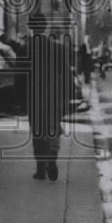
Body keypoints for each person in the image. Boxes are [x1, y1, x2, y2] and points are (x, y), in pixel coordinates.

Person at [25, 12, 72, 181]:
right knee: (53, 129)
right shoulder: (58, 47)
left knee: (38, 133)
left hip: (34, 97)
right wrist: (68, 97)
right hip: (55, 96)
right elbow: (67, 75)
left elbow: (20, 77)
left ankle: (40, 169)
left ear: (30, 27)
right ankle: (52, 157)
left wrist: (18, 99)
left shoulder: (27, 48)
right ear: (44, 27)